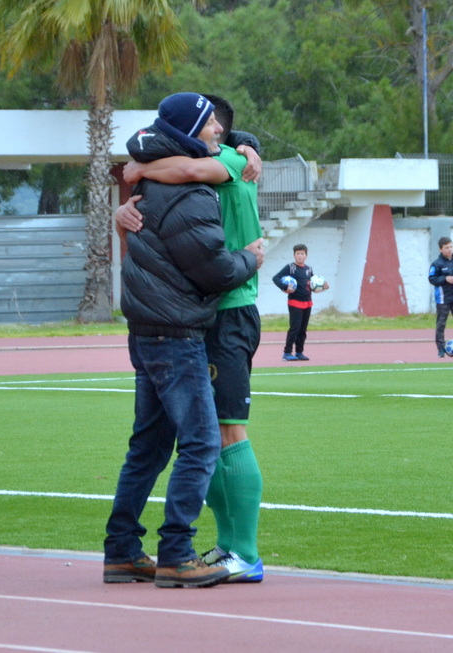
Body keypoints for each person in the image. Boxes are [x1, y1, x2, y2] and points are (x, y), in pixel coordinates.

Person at [102, 92, 264, 589]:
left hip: (218, 313)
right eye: (207, 123)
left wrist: (138, 170)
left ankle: (235, 551)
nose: (215, 130)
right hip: (193, 316)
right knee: (205, 439)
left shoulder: (230, 160)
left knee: (203, 437)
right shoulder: (184, 179)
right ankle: (188, 551)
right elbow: (207, 259)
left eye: (217, 123)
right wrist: (252, 258)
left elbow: (186, 169)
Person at [272, 243, 328, 361]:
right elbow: (275, 278)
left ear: (306, 256)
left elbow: (312, 286)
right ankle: (287, 353)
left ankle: (299, 352)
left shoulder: (309, 269)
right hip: (294, 302)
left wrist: (323, 287)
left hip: (307, 302)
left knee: (303, 329)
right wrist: (284, 287)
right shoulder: (290, 267)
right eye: (297, 254)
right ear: (294, 255)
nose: (300, 256)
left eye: (302, 254)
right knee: (295, 328)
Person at [428, 236, 453, 358]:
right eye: (446, 247)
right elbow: (432, 279)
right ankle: (441, 349)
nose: (450, 249)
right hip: (443, 299)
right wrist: (445, 279)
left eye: (451, 247)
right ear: (440, 249)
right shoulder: (436, 264)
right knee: (441, 324)